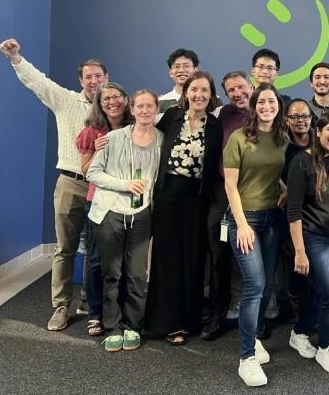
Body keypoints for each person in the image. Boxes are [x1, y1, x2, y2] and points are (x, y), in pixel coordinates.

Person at [0, 38, 108, 330]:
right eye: (88, 76)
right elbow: (39, 83)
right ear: (81, 81)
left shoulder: (114, 106)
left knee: (97, 249)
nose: (94, 81)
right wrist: (16, 58)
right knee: (65, 248)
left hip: (103, 187)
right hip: (71, 183)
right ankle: (61, 305)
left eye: (98, 75)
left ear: (106, 77)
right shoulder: (65, 100)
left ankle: (88, 299)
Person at [144, 72, 223, 344]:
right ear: (185, 92)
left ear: (211, 95)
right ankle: (166, 322)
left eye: (205, 90)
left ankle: (188, 320)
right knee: (166, 258)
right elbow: (147, 138)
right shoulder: (171, 117)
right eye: (194, 89)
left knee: (193, 257)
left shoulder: (215, 126)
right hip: (167, 194)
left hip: (197, 199)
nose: (199, 95)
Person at [86, 90, 163, 353]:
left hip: (142, 214)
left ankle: (132, 325)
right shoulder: (113, 138)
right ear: (132, 109)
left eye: (149, 106)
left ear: (157, 109)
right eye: (140, 106)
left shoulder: (162, 139)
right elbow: (93, 173)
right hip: (110, 212)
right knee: (112, 272)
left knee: (137, 273)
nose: (145, 111)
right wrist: (124, 184)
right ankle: (113, 327)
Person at [223, 83, 289, 387]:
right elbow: (230, 185)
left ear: (278, 106)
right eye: (261, 101)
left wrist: (283, 188)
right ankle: (246, 357)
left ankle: (255, 337)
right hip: (245, 218)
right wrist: (241, 224)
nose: (267, 106)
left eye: (271, 101)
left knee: (267, 288)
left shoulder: (281, 137)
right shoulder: (238, 138)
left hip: (273, 218)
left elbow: (271, 173)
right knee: (255, 284)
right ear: (254, 105)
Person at [287, 111, 329, 375]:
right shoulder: (301, 163)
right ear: (318, 131)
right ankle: (326, 347)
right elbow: (293, 211)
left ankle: (299, 333)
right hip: (312, 237)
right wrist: (299, 252)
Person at [76, 82, 132, 337]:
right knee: (98, 260)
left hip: (130, 203)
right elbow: (86, 171)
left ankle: (123, 312)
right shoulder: (92, 132)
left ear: (125, 99)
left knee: (128, 262)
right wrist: (98, 151)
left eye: (116, 96)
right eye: (105, 99)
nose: (111, 102)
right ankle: (95, 313)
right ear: (99, 104)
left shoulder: (136, 127)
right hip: (100, 202)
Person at [202, 71, 254, 341]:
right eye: (231, 90)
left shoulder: (267, 110)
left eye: (241, 87)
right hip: (224, 191)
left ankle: (255, 314)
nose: (237, 93)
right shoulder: (223, 115)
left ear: (251, 86)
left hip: (257, 192)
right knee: (219, 252)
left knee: (255, 252)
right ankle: (217, 314)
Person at [280, 99, 315, 326]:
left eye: (304, 116)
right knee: (295, 268)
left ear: (311, 119)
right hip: (289, 215)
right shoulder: (281, 146)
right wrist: (286, 190)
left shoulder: (322, 142)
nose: (300, 121)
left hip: (318, 217)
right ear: (286, 120)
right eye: (294, 116)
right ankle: (301, 318)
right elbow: (271, 172)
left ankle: (323, 317)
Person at [159, 48, 199, 113]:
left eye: (186, 66)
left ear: (196, 71)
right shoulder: (161, 102)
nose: (181, 70)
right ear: (170, 73)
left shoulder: (209, 100)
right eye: (176, 66)